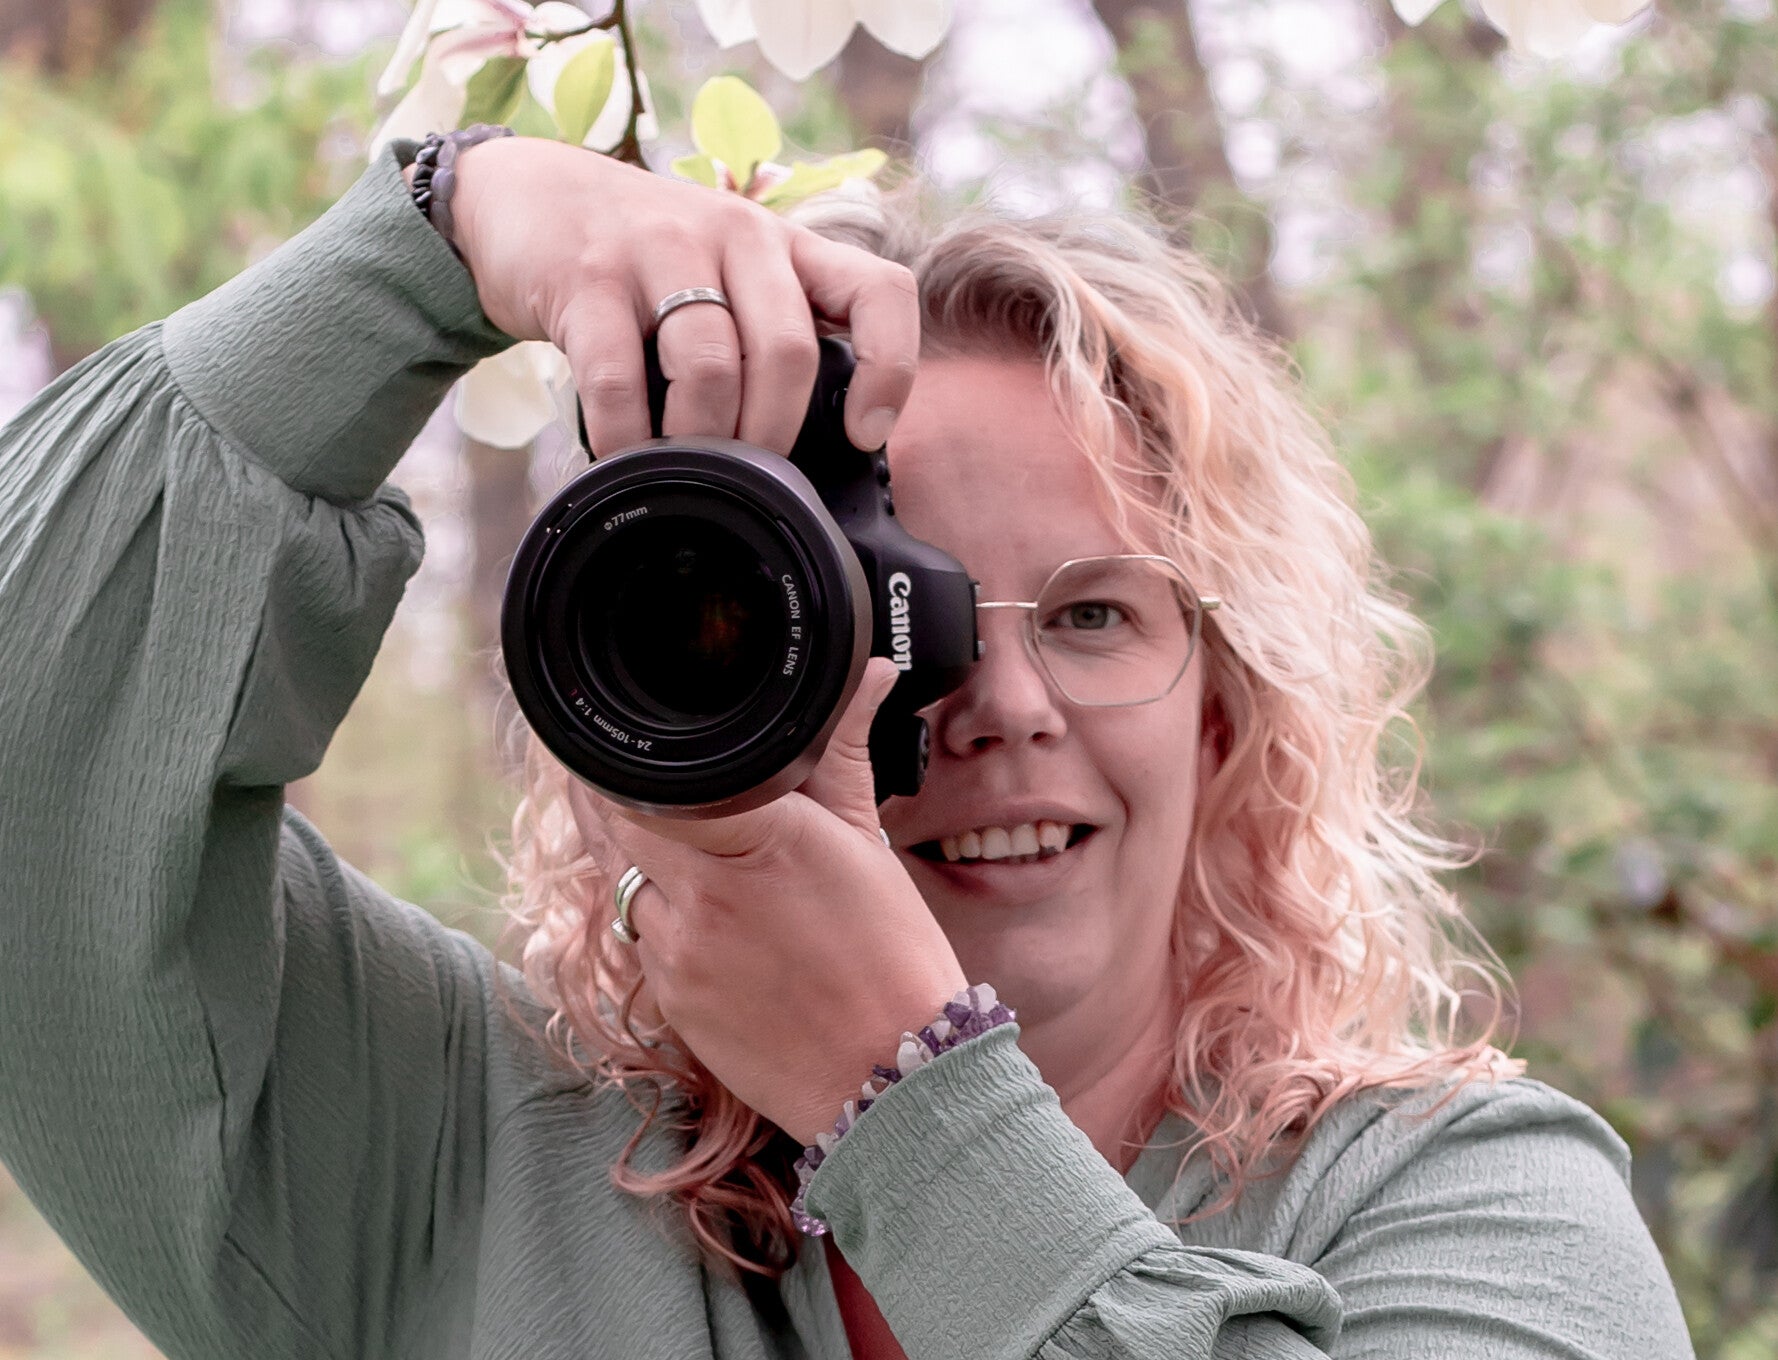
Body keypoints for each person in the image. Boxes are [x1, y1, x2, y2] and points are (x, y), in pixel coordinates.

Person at [0, 131, 1693, 1360]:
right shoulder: (463, 1164)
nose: (1001, 703)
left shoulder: (1471, 1207)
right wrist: (439, 234)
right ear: (662, 687)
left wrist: (911, 1115)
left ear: (1223, 709)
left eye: (1099, 615)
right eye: (900, 604)